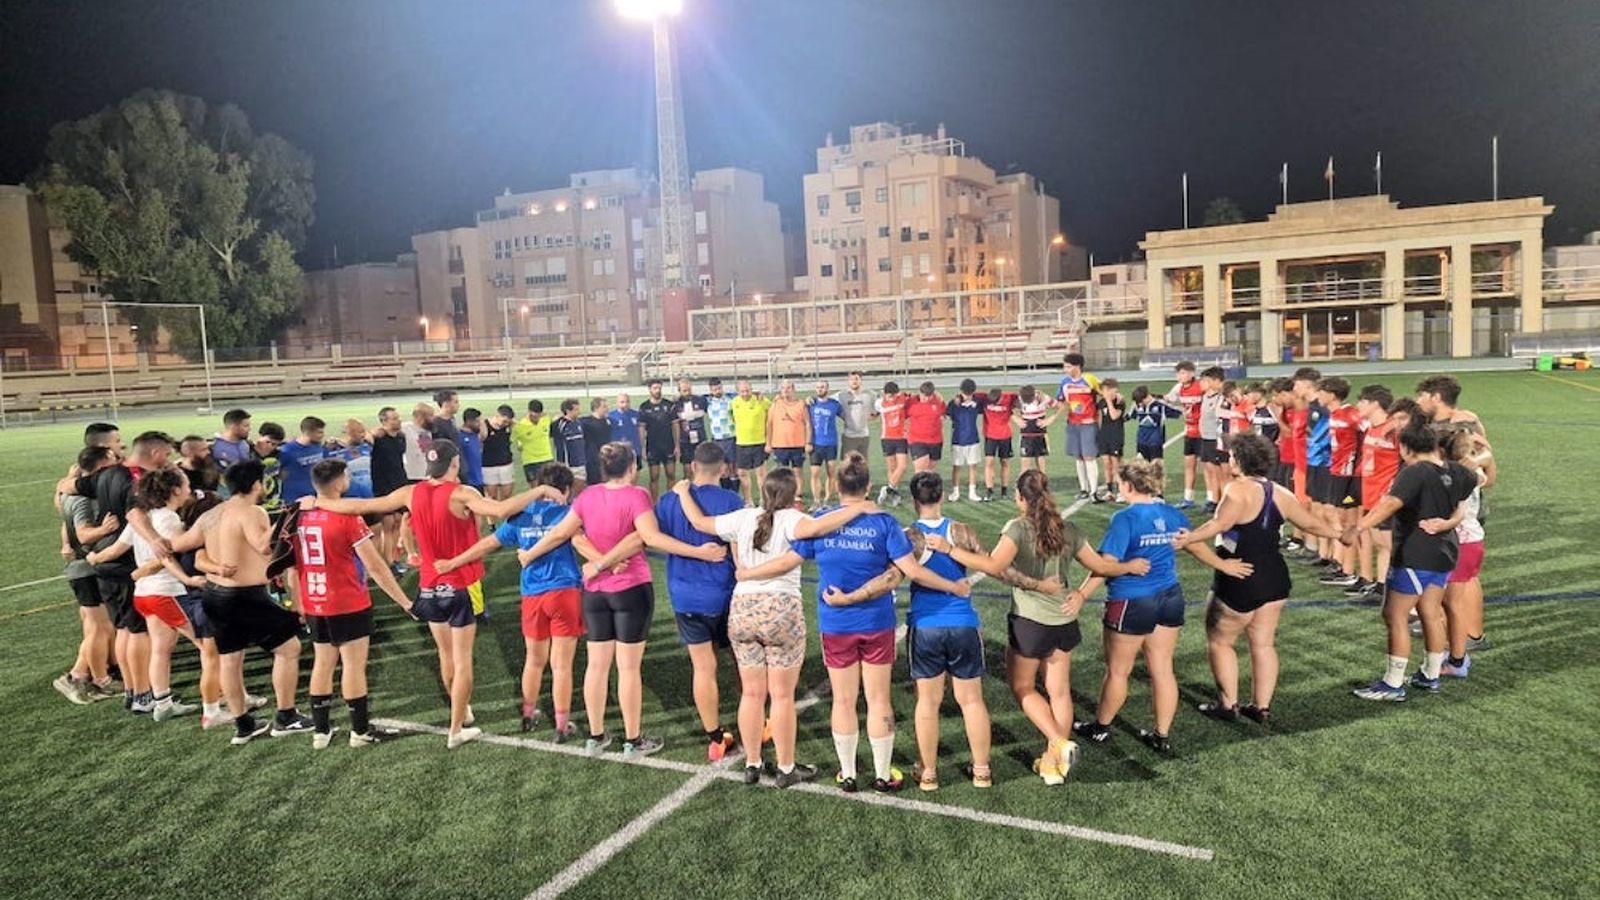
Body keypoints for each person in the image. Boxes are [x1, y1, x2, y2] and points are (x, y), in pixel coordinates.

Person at [735, 453, 972, 794]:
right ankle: (881, 774)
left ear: (835, 484)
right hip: (877, 622)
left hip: (836, 624)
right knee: (878, 700)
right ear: (868, 486)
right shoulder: (885, 522)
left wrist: (747, 574)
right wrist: (954, 586)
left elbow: (786, 561)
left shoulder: (820, 520)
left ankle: (847, 774)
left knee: (843, 701)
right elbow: (914, 571)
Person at [304, 441, 548, 747]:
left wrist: (319, 503)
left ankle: (463, 711)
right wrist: (539, 490)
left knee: (445, 654)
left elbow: (362, 506)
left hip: (430, 585)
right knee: (462, 660)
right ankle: (456, 729)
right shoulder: (463, 494)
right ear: (454, 463)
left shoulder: (410, 492)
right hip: (462, 584)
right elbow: (499, 510)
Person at [934, 469, 1148, 785]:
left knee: (1023, 687)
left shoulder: (1017, 528)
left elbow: (994, 566)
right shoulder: (1069, 529)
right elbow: (1101, 566)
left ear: (1021, 497)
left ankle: (1058, 744)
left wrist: (951, 550)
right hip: (1064, 618)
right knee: (1059, 692)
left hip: (1030, 621)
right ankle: (1052, 765)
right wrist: (1128, 566)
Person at [517, 442, 728, 757]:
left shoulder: (587, 496)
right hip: (631, 590)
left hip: (595, 593)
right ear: (632, 468)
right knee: (628, 669)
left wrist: (532, 553)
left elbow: (564, 534)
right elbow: (650, 538)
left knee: (597, 667)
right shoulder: (637, 496)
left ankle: (595, 736)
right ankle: (633, 740)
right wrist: (699, 552)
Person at [672, 465, 870, 787]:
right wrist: (860, 506)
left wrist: (682, 492)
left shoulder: (743, 517)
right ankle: (786, 768)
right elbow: (821, 526)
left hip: (743, 609)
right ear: (793, 495)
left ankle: (752, 763)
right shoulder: (793, 520)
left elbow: (698, 522)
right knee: (781, 696)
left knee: (751, 693)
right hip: (780, 610)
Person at [1071, 458, 1252, 754]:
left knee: (1118, 671)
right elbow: (1193, 545)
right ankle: (1161, 735)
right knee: (1163, 669)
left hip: (1132, 601)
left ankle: (1101, 728)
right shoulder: (1171, 513)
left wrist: (1080, 595)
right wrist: (1223, 565)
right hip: (1170, 598)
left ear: (1128, 486)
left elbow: (1106, 565)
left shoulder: (1124, 519)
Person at [1173, 434, 1342, 722]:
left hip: (1239, 575)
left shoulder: (1236, 490)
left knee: (1220, 641)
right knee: (1263, 644)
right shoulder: (1280, 493)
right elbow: (1310, 523)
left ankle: (1228, 705)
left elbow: (1220, 524)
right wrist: (1340, 536)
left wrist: (1190, 537)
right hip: (1275, 577)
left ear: (1239, 460)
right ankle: (1260, 707)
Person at [435, 464, 587, 741]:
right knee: (562, 665)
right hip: (564, 591)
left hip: (532, 596)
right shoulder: (569, 514)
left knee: (534, 659)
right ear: (564, 489)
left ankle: (529, 715)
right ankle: (562, 725)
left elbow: (487, 544)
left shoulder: (521, 516)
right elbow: (580, 541)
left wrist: (453, 563)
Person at [170, 460, 311, 744]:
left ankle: (243, 723)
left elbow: (179, 544)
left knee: (229, 659)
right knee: (289, 649)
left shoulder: (211, 514)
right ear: (257, 484)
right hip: (245, 596)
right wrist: (289, 515)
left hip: (214, 594)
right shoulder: (251, 511)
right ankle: (285, 716)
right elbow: (262, 545)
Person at [1346, 421, 1482, 702]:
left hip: (1414, 553)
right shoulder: (1458, 471)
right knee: (1430, 612)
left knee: (1394, 615)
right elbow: (1464, 503)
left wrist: (1358, 528)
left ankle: (1393, 683)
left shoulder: (1414, 472)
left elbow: (1390, 504)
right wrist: (1448, 522)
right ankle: (1430, 675)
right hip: (1445, 553)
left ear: (1406, 447)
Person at [288, 458, 416, 748]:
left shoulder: (298, 514)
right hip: (346, 600)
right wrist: (405, 602)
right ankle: (360, 731)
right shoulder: (347, 517)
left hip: (314, 600)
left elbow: (291, 564)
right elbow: (376, 567)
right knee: (353, 666)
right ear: (339, 482)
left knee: (323, 663)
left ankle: (321, 731)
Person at [86, 467, 213, 722]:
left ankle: (162, 703)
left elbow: (115, 549)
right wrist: (183, 578)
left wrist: (93, 557)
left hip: (143, 596)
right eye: (186, 484)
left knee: (161, 648)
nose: (189, 489)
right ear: (176, 490)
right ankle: (220, 699)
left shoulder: (144, 518)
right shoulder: (169, 519)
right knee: (207, 646)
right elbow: (167, 555)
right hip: (166, 592)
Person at [649, 443, 746, 760]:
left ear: (692, 466)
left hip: (685, 595)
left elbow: (649, 536)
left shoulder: (668, 500)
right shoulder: (731, 500)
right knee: (741, 662)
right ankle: (757, 723)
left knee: (703, 667)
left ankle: (716, 737)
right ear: (723, 468)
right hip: (726, 594)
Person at [52, 445, 123, 705]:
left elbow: (64, 520)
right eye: (113, 457)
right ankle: (85, 678)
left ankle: (89, 676)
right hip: (86, 568)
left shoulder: (73, 491)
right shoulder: (83, 498)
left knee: (100, 626)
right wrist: (104, 530)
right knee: (99, 627)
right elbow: (82, 533)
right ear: (102, 463)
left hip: (83, 567)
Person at [1437, 425, 1495, 676]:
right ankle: (1455, 656)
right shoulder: (1472, 471)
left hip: (1456, 541)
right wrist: (1483, 452)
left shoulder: (1446, 474)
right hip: (1473, 540)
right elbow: (1488, 476)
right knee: (1452, 601)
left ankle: (1456, 659)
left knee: (1450, 604)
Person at [1350, 386, 1401, 600]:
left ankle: (1396, 589)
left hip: (1385, 497)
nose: (1358, 406)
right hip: (1370, 495)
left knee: (1389, 545)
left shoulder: (1394, 429)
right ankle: (1381, 587)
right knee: (1380, 544)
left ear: (1374, 403)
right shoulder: (1372, 428)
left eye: (1362, 401)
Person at [1314, 377, 1365, 589]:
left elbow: (1368, 431)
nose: (1318, 396)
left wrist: (1358, 465)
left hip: (1348, 475)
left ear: (1332, 394)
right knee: (1339, 518)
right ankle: (1342, 564)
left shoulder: (1351, 414)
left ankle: (1348, 570)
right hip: (1337, 472)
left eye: (1322, 391)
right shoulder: (1335, 414)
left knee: (1348, 521)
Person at [369, 407, 410, 574]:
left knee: (399, 522)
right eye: (394, 419)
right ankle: (389, 562)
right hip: (383, 486)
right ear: (384, 422)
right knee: (388, 524)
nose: (398, 421)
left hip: (399, 483)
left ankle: (394, 558)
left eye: (398, 417)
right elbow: (365, 438)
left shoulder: (400, 437)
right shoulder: (378, 439)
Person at [1057, 353, 1102, 501]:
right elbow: (1061, 401)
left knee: (1089, 457)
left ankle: (1094, 491)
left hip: (1088, 423)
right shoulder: (1064, 382)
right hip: (1073, 423)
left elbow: (1105, 392)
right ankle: (1084, 489)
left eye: (1068, 366)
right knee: (1078, 457)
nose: (1066, 369)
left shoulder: (1090, 379)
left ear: (1077, 366)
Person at [1163, 361, 1204, 507]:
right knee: (1189, 464)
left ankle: (1214, 498)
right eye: (1179, 373)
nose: (1180, 376)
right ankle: (1188, 498)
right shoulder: (1178, 388)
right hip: (1190, 431)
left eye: (1184, 373)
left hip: (1204, 432)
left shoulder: (1200, 386)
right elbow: (1168, 399)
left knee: (1207, 467)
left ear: (1192, 373)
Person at [731, 380, 772, 506]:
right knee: (742, 473)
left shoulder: (762, 401)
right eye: (742, 391)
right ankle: (748, 500)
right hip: (741, 442)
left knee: (761, 473)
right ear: (737, 392)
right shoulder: (734, 402)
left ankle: (763, 499)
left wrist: (768, 442)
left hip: (759, 442)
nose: (745, 393)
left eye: (748, 390)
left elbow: (772, 414)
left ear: (752, 389)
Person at [806, 380, 843, 508]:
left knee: (831, 473)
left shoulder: (835, 405)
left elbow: (846, 416)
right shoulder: (810, 403)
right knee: (815, 473)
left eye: (822, 387)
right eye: (818, 387)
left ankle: (827, 500)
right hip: (816, 444)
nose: (820, 389)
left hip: (831, 444)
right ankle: (816, 501)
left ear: (827, 388)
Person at [638, 379, 679, 496]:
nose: (657, 391)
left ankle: (670, 502)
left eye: (659, 388)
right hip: (653, 446)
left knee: (671, 474)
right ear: (650, 390)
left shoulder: (669, 405)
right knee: (654, 477)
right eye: (655, 388)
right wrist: (642, 448)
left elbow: (675, 425)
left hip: (668, 445)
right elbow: (641, 428)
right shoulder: (644, 407)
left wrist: (677, 445)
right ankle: (654, 504)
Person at [946, 379, 984, 502]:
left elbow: (987, 397)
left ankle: (972, 492)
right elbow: (947, 415)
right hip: (958, 439)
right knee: (957, 466)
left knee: (973, 466)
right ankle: (955, 492)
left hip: (973, 438)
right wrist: (957, 399)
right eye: (965, 393)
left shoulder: (977, 401)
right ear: (961, 391)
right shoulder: (953, 403)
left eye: (970, 394)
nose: (968, 396)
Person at [874, 381, 911, 504]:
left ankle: (888, 488)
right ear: (884, 394)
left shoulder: (903, 399)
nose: (892, 398)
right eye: (890, 396)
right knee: (891, 467)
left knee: (903, 466)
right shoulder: (879, 403)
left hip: (901, 437)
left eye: (894, 395)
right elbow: (874, 414)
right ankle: (894, 492)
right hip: (887, 437)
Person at [1196, 366, 1227, 511]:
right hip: (1205, 437)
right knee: (1209, 469)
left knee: (1219, 472)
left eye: (1206, 381)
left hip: (1216, 438)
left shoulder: (1221, 398)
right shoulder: (1205, 397)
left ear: (1215, 381)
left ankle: (1222, 501)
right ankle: (1214, 499)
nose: (1202, 383)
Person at [979, 385, 1017, 501]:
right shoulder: (984, 397)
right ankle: (989, 490)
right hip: (990, 436)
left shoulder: (1009, 397)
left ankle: (1004, 490)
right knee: (989, 462)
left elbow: (1023, 396)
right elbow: (968, 393)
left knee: (1005, 462)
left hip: (1005, 435)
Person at [766, 378, 809, 474]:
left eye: (788, 388)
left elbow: (808, 424)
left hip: (797, 445)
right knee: (782, 473)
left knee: (797, 472)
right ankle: (783, 490)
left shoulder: (801, 404)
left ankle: (798, 490)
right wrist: (768, 443)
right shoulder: (775, 404)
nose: (785, 390)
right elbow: (769, 424)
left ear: (793, 390)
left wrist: (808, 442)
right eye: (783, 388)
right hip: (780, 445)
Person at [703, 378, 739, 490]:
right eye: (714, 389)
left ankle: (735, 493)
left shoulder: (731, 398)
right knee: (722, 469)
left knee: (733, 468)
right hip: (717, 439)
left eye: (719, 388)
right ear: (710, 390)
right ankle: (725, 492)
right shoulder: (707, 401)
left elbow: (745, 393)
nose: (717, 391)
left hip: (731, 437)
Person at [1095, 378, 1126, 502]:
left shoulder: (1120, 402)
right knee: (1106, 464)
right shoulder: (1101, 402)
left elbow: (1114, 416)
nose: (1108, 393)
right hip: (1104, 436)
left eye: (1111, 390)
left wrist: (1109, 401)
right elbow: (1099, 415)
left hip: (1116, 435)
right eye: (1105, 390)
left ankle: (1121, 491)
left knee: (1116, 464)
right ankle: (1109, 491)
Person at [1013, 385, 1056, 474]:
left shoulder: (1043, 398)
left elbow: (1060, 406)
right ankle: (1020, 487)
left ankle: (1042, 486)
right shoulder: (1019, 398)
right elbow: (1007, 408)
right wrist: (1016, 419)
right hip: (1026, 436)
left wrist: (1050, 419)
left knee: (1041, 466)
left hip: (1040, 435)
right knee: (1024, 466)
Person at [905, 381, 946, 476]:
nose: (926, 399)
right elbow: (903, 415)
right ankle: (917, 490)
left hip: (935, 441)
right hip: (917, 440)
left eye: (928, 397)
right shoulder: (911, 402)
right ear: (920, 393)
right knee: (920, 470)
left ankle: (930, 490)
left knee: (931, 471)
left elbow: (944, 413)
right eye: (923, 396)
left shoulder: (938, 401)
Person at [512, 399, 556, 485]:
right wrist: (520, 444)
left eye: (538, 416)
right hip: (531, 461)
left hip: (547, 458)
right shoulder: (521, 425)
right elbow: (518, 443)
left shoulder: (545, 419)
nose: (536, 418)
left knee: (550, 487)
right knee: (536, 489)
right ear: (529, 412)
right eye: (534, 416)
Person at [674, 378, 710, 473]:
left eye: (689, 390)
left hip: (700, 439)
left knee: (701, 468)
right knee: (687, 470)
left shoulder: (701, 400)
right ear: (679, 391)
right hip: (685, 441)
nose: (687, 393)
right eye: (684, 391)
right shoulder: (676, 404)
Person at [1130, 385, 1171, 463]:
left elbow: (1177, 411)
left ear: (1147, 397)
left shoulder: (1160, 405)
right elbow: (1129, 416)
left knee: (1156, 466)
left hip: (1156, 441)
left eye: (1141, 401)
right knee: (1142, 467)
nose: (1140, 404)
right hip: (1141, 440)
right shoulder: (1137, 404)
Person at [837, 371, 873, 462]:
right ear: (848, 381)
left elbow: (882, 402)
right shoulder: (841, 395)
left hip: (864, 436)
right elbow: (826, 400)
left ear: (861, 380)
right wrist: (810, 399)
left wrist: (874, 415)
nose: (854, 381)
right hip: (849, 436)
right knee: (847, 465)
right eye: (851, 379)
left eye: (856, 379)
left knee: (863, 465)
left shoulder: (870, 394)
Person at [552, 399, 587, 485]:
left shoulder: (579, 423)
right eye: (576, 410)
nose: (579, 412)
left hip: (581, 463)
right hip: (568, 464)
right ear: (568, 411)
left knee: (581, 489)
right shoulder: (560, 424)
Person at [582, 398, 613, 486]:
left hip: (606, 458)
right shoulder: (585, 422)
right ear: (596, 408)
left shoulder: (608, 421)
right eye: (604, 407)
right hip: (592, 460)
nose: (607, 409)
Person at [401, 403, 434, 485]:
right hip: (413, 476)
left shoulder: (428, 430)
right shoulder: (405, 428)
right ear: (420, 417)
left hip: (428, 475)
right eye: (430, 416)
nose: (433, 419)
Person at [457, 408, 487, 494]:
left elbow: (484, 435)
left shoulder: (475, 435)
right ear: (469, 421)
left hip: (478, 479)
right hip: (468, 481)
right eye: (477, 421)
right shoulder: (459, 436)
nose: (480, 424)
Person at [608, 393, 643, 458]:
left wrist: (641, 447)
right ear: (617, 403)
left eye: (627, 402)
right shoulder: (610, 416)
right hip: (618, 452)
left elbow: (640, 431)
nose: (625, 404)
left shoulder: (636, 414)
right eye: (622, 402)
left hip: (634, 450)